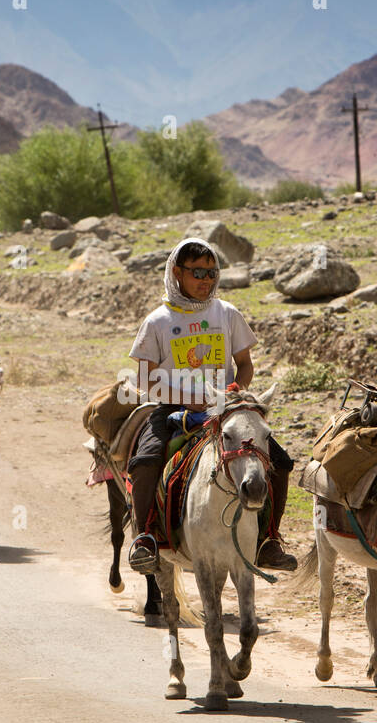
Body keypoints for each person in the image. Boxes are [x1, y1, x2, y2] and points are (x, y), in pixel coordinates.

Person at [125, 237, 297, 574]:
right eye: (198, 273)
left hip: (227, 410)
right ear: (177, 272)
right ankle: (144, 538)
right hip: (172, 411)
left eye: (212, 273)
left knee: (280, 461)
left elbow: (245, 364)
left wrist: (235, 394)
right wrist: (190, 400)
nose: (207, 280)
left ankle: (268, 540)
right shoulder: (157, 321)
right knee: (145, 461)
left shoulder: (227, 313)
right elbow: (144, 379)